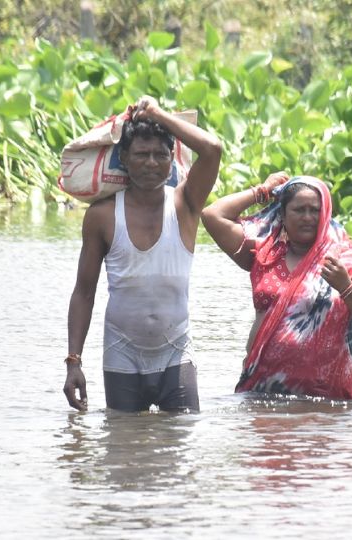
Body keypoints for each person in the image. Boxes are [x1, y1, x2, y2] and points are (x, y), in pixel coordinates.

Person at [63, 96, 222, 412]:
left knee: (181, 450)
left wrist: (158, 115)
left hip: (176, 352)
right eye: (141, 155)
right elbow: (83, 292)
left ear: (171, 162)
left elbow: (212, 149)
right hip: (122, 352)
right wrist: (73, 362)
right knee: (124, 451)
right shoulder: (103, 215)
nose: (151, 163)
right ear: (124, 158)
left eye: (160, 155)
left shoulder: (185, 204)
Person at [201, 173, 352, 400]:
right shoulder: (265, 255)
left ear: (326, 213)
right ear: (282, 213)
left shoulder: (346, 261)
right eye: (299, 210)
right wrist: (262, 191)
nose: (308, 217)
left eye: (315, 210)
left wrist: (346, 287)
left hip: (329, 398)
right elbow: (212, 215)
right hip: (263, 392)